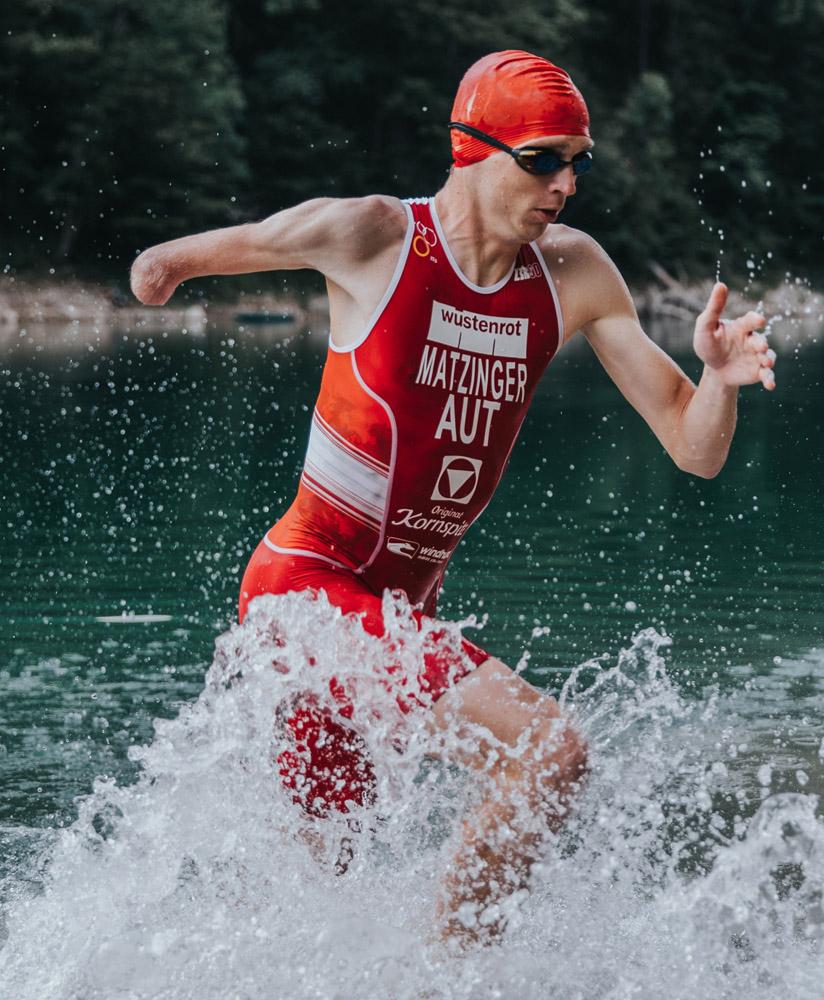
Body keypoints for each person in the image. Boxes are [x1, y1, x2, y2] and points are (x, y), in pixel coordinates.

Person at [129, 49, 776, 948]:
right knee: (547, 751)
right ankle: (453, 979)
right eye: (544, 158)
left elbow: (693, 447)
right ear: (472, 147)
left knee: (320, 891)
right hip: (302, 595)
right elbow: (213, 250)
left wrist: (718, 380)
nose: (565, 184)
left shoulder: (572, 273)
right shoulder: (375, 238)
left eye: (579, 161)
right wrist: (159, 270)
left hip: (394, 613)